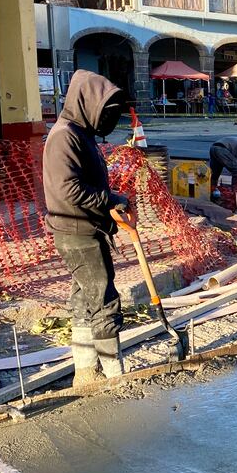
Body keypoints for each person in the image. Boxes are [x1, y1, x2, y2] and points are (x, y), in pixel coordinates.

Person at [43, 70, 134, 386]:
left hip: (84, 229)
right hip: (77, 232)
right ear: (87, 103)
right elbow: (68, 190)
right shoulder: (64, 137)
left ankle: (84, 373)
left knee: (85, 298)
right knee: (103, 300)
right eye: (105, 109)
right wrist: (110, 198)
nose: (108, 118)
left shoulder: (79, 133)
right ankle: (114, 376)